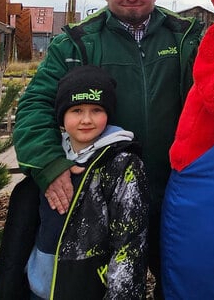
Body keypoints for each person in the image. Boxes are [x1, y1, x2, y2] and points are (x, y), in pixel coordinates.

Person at [13, 0, 202, 295]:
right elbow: (36, 103)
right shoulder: (77, 42)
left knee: (178, 280)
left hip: (175, 187)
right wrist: (47, 163)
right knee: (106, 284)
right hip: (100, 195)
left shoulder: (186, 37)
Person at [25, 65, 149, 299]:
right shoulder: (48, 159)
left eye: (96, 110)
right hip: (40, 285)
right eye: (76, 110)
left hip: (86, 286)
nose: (86, 120)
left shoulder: (121, 163)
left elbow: (129, 244)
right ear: (62, 115)